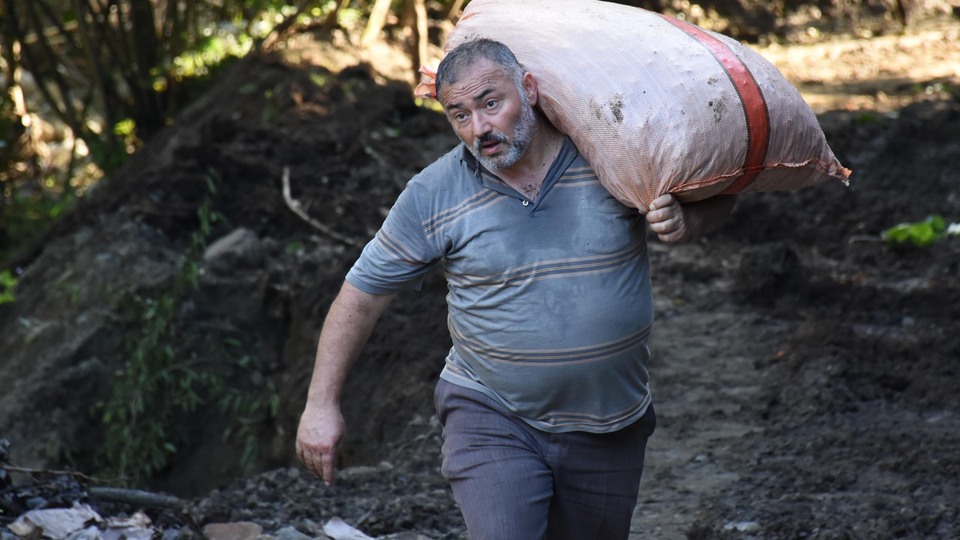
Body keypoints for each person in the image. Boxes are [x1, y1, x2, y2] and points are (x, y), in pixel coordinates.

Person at [296, 38, 737, 539]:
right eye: (460, 115)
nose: (479, 128)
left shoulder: (613, 156)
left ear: (528, 88)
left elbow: (724, 192)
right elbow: (362, 294)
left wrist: (688, 221)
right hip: (490, 411)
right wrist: (321, 404)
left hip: (609, 422)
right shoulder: (434, 193)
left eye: (490, 103)